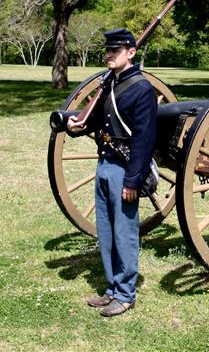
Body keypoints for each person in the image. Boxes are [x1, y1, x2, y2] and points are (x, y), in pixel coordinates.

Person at [67, 28, 157, 317]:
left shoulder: (141, 89)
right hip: (104, 164)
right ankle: (112, 288)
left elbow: (143, 141)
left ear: (131, 53)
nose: (109, 54)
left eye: (115, 51)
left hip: (124, 169)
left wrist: (133, 180)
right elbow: (98, 120)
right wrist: (77, 126)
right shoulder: (110, 82)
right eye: (108, 50)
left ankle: (126, 294)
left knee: (125, 233)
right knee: (106, 232)